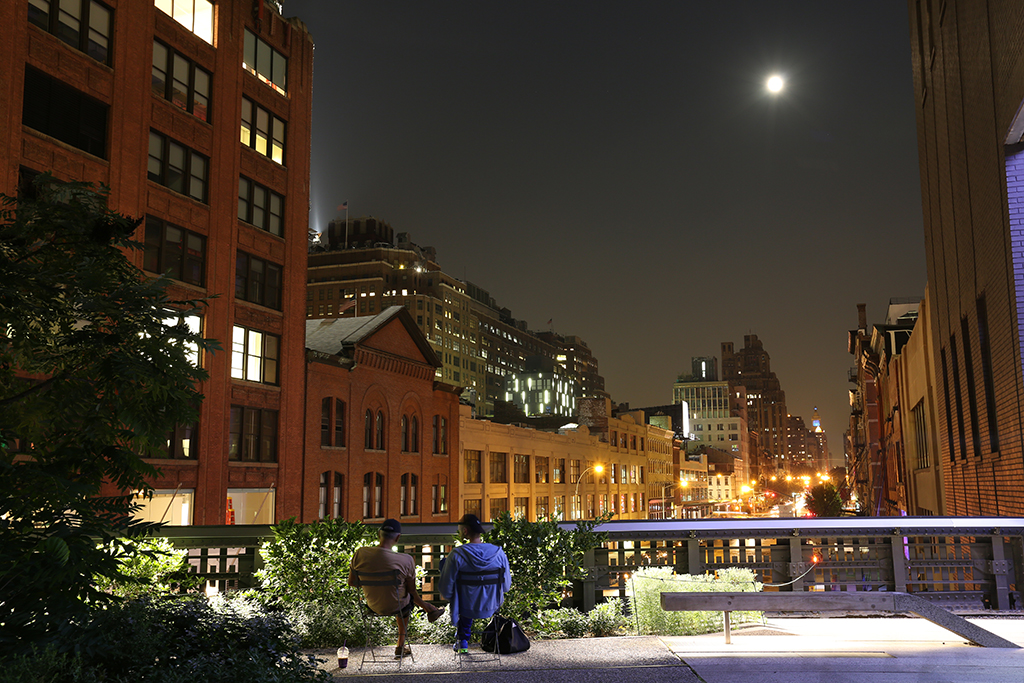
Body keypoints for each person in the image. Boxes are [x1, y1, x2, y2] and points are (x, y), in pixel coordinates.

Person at [348, 519, 443, 658]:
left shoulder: (360, 554)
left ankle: (428, 609)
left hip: (373, 606)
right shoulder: (406, 559)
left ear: (379, 534)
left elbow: (352, 582)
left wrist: (374, 582)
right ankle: (400, 645)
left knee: (401, 593)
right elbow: (412, 592)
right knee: (405, 597)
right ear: (398, 538)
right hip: (397, 606)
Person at [438, 513, 512, 653]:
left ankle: (463, 642)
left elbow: (446, 589)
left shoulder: (457, 554)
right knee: (470, 595)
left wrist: (451, 595)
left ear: (465, 531)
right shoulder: (498, 553)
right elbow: (506, 586)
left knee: (445, 566)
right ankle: (488, 638)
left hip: (466, 607)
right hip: (491, 605)